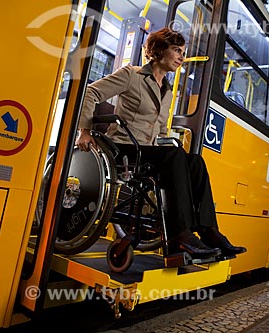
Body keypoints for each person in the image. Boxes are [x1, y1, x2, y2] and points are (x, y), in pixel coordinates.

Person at [76, 27, 246, 259]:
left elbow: (162, 130)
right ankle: (179, 236)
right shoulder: (131, 75)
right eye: (176, 50)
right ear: (158, 51)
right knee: (174, 157)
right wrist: (85, 131)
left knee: (194, 160)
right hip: (123, 148)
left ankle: (208, 230)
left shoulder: (167, 92)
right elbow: (90, 93)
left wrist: (170, 144)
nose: (181, 57)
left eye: (183, 52)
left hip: (148, 151)